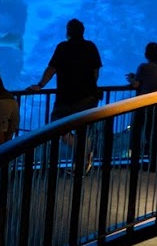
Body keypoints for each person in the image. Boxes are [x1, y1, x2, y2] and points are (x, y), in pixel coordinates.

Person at [31, 19, 103, 173]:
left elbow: (51, 69)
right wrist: (90, 87)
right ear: (83, 31)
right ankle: (83, 159)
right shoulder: (90, 46)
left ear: (68, 32)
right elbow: (95, 71)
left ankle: (82, 158)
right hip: (89, 97)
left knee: (58, 126)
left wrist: (40, 85)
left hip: (66, 98)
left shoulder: (62, 47)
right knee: (84, 129)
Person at [127, 42, 157, 168]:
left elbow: (136, 84)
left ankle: (144, 162)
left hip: (148, 105)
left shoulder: (143, 67)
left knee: (147, 132)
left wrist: (131, 79)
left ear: (146, 54)